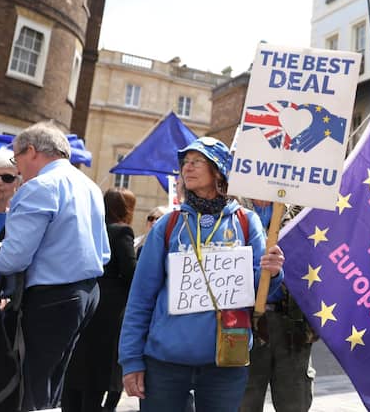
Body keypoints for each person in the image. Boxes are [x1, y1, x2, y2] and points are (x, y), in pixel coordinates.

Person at [118, 137, 285, 411]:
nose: (187, 168)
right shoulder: (168, 225)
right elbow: (140, 298)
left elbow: (262, 292)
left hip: (225, 363)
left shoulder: (246, 222)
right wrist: (131, 360)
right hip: (165, 365)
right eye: (185, 163)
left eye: (197, 161)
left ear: (218, 170)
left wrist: (273, 272)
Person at [0, 121, 110, 410]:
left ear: (31, 151)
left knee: (30, 385)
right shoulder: (88, 185)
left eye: (17, 159)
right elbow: (102, 251)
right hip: (85, 293)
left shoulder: (40, 186)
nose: (17, 169)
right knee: (52, 385)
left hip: (52, 296)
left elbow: (16, 257)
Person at [63, 188, 138, 412]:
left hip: (83, 297)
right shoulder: (122, 231)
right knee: (99, 368)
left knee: (77, 365)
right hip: (109, 308)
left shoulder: (89, 228)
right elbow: (131, 271)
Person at [239, 199, 316, 412]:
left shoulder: (304, 205)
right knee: (243, 402)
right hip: (244, 325)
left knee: (294, 402)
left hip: (293, 325)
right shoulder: (232, 206)